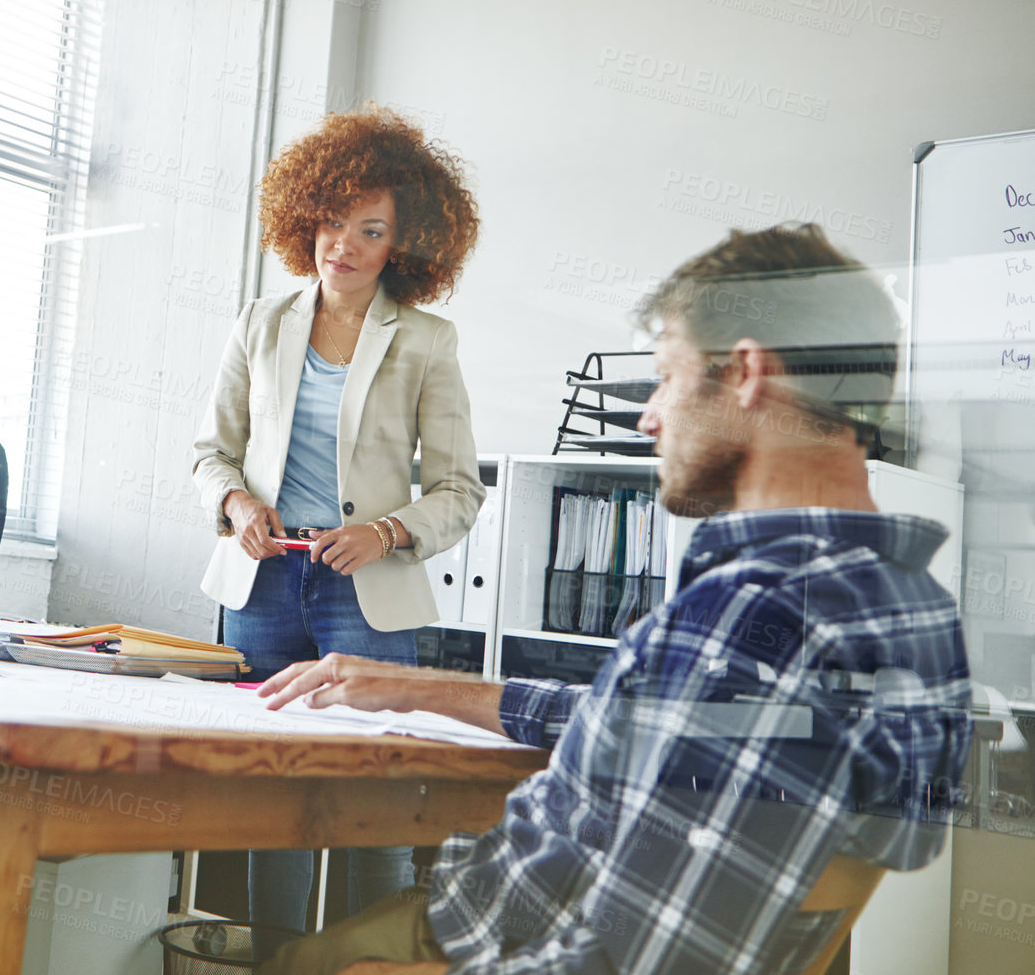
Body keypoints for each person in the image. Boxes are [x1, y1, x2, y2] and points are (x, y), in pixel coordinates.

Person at [252, 223, 971, 975]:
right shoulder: (906, 604)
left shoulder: (750, 614)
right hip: (514, 923)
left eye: (667, 376)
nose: (648, 416)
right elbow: (675, 728)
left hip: (491, 942)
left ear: (748, 374)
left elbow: (654, 959)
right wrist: (420, 688)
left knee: (287, 961)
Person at [192, 105, 486, 939]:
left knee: (377, 798)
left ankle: (366, 962)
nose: (342, 245)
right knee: (270, 794)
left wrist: (387, 533)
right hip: (264, 582)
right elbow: (209, 453)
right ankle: (279, 961)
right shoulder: (260, 323)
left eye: (370, 229)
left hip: (369, 592)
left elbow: (460, 490)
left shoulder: (428, 341)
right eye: (330, 221)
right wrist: (237, 502)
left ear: (405, 243)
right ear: (305, 219)